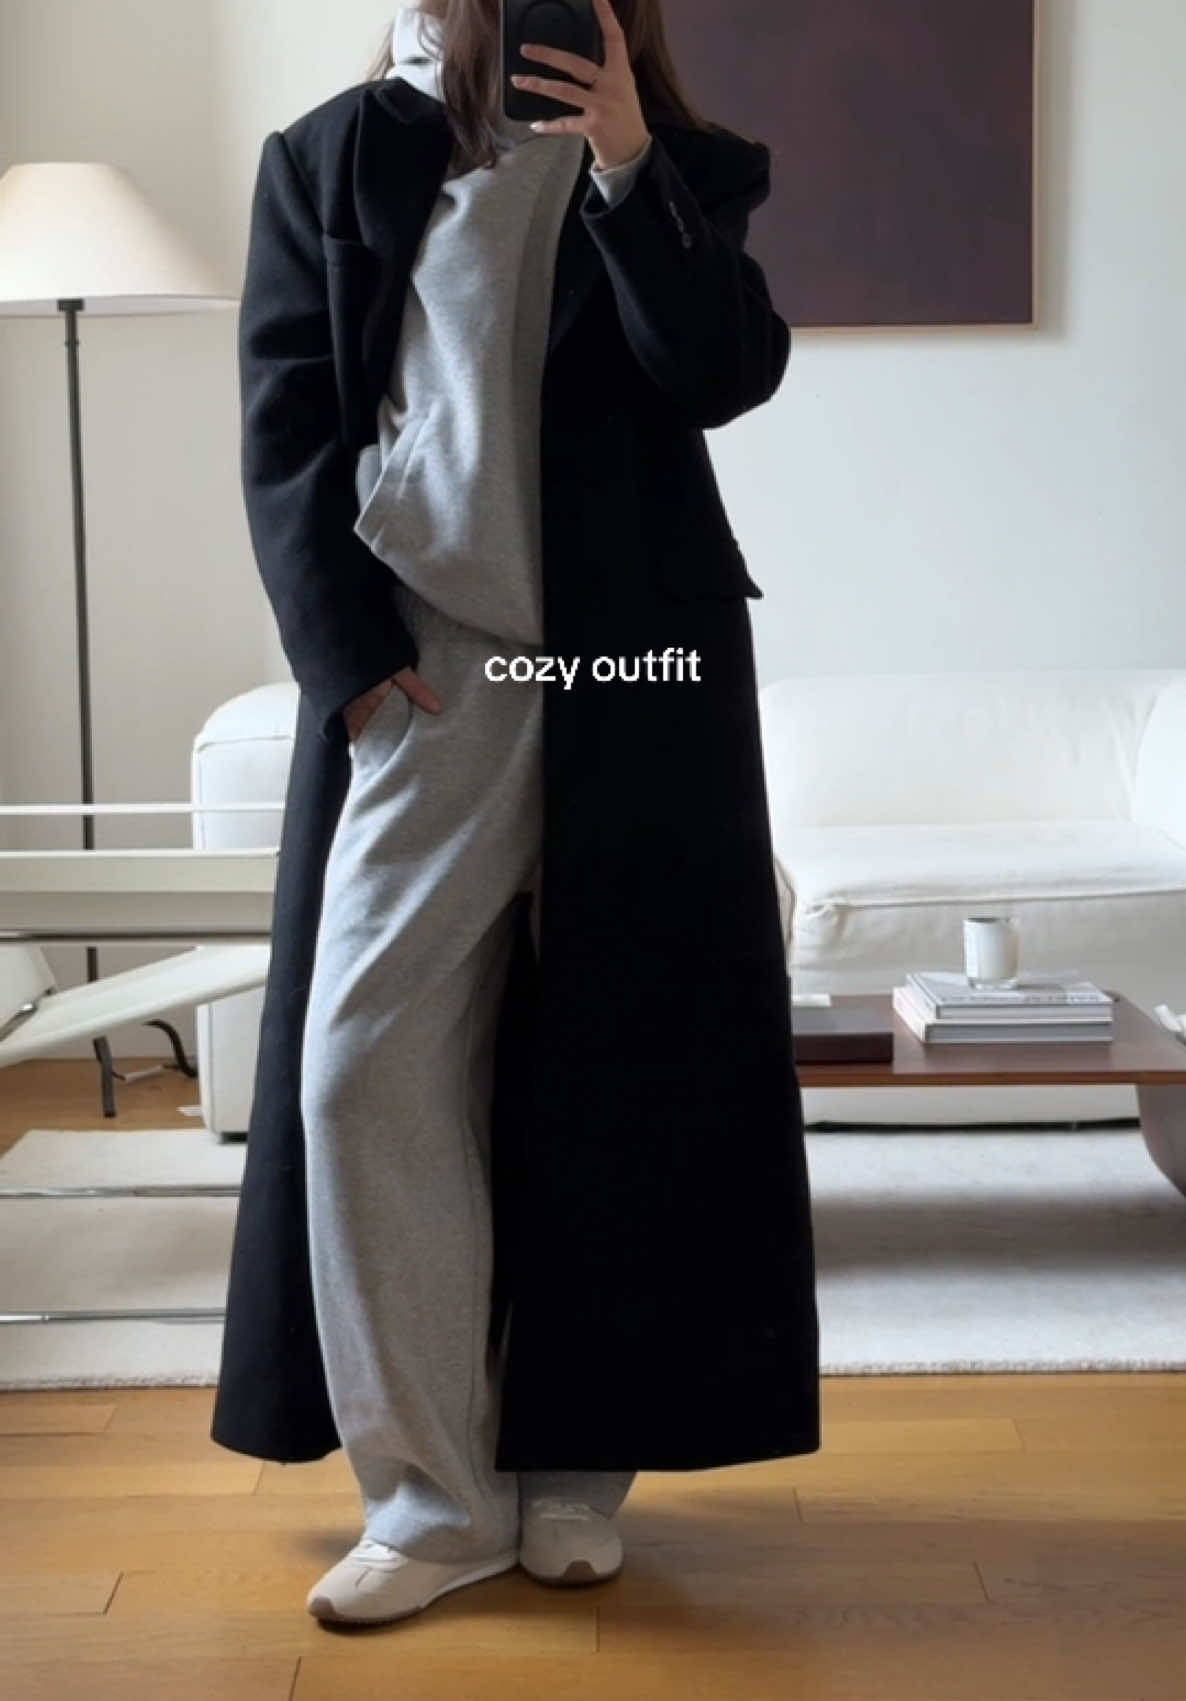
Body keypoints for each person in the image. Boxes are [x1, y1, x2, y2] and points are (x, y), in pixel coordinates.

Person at [220, 0, 820, 1631]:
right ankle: (431, 1496)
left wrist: (625, 163)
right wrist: (350, 667)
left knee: (613, 1057)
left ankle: (571, 1468)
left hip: (630, 668)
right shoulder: (329, 158)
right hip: (427, 676)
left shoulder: (680, 161)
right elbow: (286, 427)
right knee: (361, 1070)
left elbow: (721, 371)